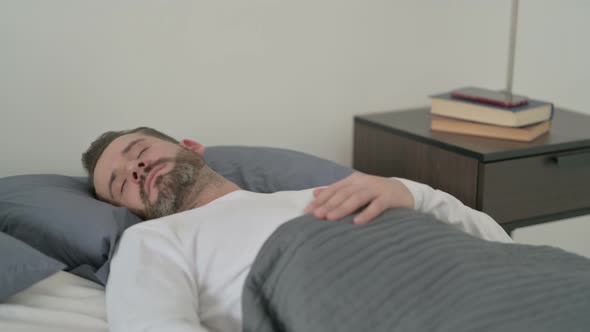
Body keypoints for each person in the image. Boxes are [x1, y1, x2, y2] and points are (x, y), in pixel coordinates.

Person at [82, 127, 512, 332]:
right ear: (132, 211)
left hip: (489, 285)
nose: (135, 169)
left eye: (138, 152)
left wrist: (408, 192)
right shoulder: (152, 241)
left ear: (190, 147)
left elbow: (495, 242)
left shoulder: (327, 192)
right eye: (121, 184)